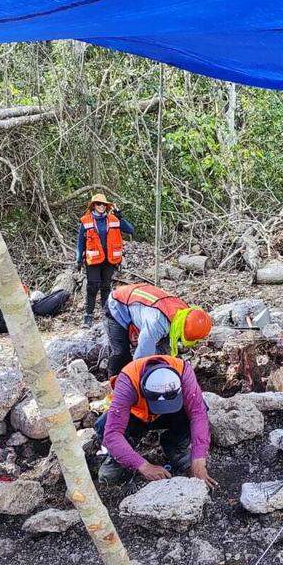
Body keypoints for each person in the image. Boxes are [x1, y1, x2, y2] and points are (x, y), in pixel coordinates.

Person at [94, 354, 215, 489]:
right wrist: (143, 465)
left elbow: (198, 414)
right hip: (136, 418)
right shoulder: (128, 381)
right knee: (103, 425)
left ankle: (176, 446)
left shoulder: (183, 370)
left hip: (171, 415)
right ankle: (119, 457)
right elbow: (113, 433)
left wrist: (199, 459)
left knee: (200, 407)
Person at [105, 283, 213, 377]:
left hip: (142, 301)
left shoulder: (184, 312)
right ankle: (112, 382)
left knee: (163, 353)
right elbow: (140, 359)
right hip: (118, 303)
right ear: (181, 331)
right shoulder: (156, 323)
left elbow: (166, 350)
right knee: (121, 353)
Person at [75, 193, 134, 327]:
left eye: (103, 204)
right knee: (92, 287)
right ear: (93, 206)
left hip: (109, 260)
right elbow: (80, 242)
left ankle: (106, 315)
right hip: (94, 260)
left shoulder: (113, 219)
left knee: (106, 287)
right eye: (98, 204)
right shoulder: (86, 221)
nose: (101, 206)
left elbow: (130, 230)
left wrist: (121, 218)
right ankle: (88, 316)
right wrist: (78, 259)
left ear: (107, 206)